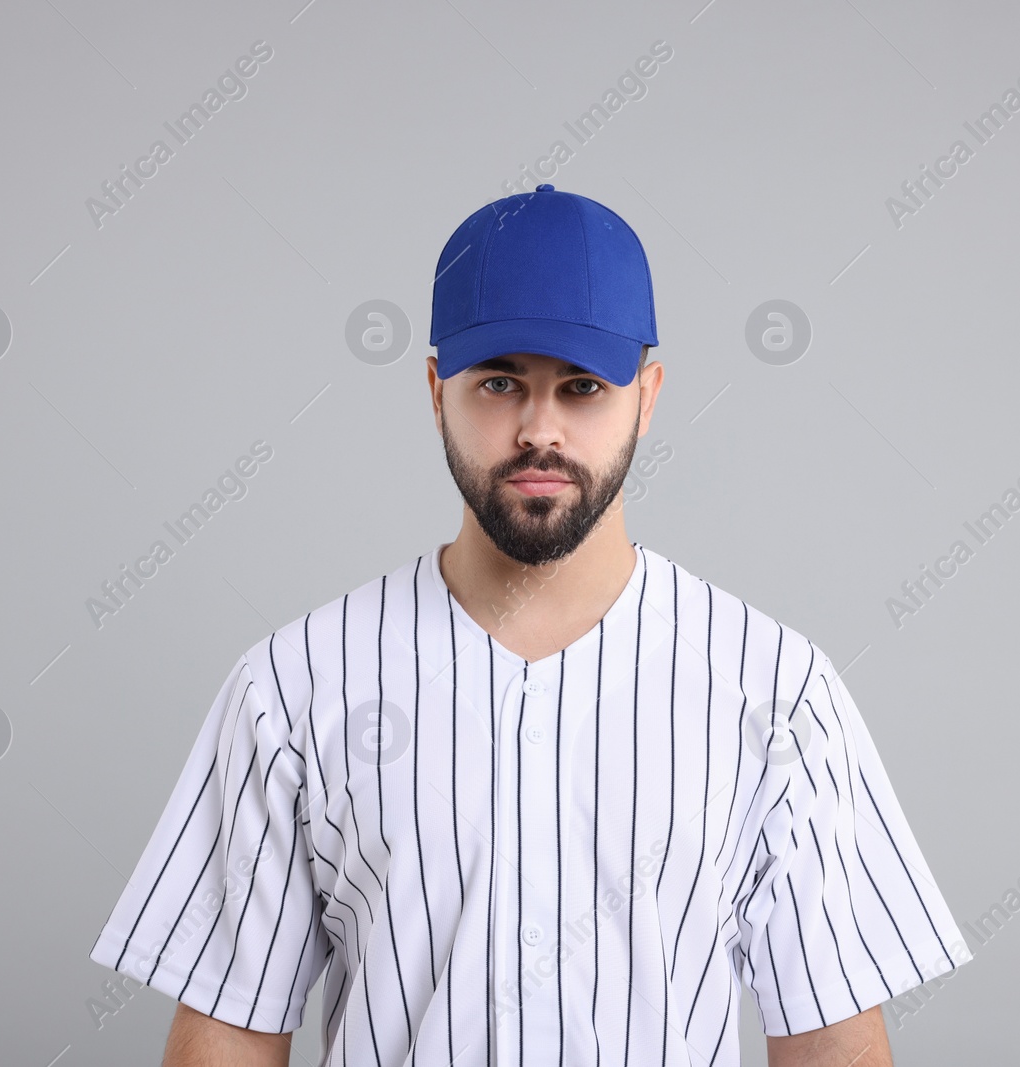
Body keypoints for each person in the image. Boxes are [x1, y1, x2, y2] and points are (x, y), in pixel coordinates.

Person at [88, 183, 969, 1066]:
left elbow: (833, 1043)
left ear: (647, 397)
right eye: (500, 381)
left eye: (583, 386)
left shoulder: (776, 693)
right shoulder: (293, 686)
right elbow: (227, 1038)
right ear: (437, 389)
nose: (539, 429)